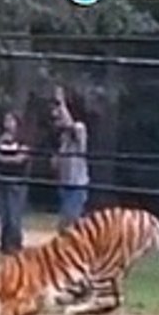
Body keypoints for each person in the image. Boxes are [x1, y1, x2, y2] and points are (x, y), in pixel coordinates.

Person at [50, 88, 90, 233]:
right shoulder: (63, 138)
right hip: (65, 185)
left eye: (59, 115)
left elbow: (70, 125)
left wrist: (61, 102)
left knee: (68, 225)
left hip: (76, 186)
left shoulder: (80, 128)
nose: (56, 118)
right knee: (66, 225)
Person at [0, 111, 31, 254]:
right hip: (1, 181)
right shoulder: (1, 139)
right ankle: (4, 245)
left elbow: (20, 159)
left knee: (14, 216)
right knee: (4, 216)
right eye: (5, 120)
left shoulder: (23, 141)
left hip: (17, 183)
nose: (7, 124)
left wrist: (1, 159)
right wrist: (0, 143)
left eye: (10, 120)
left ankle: (15, 245)